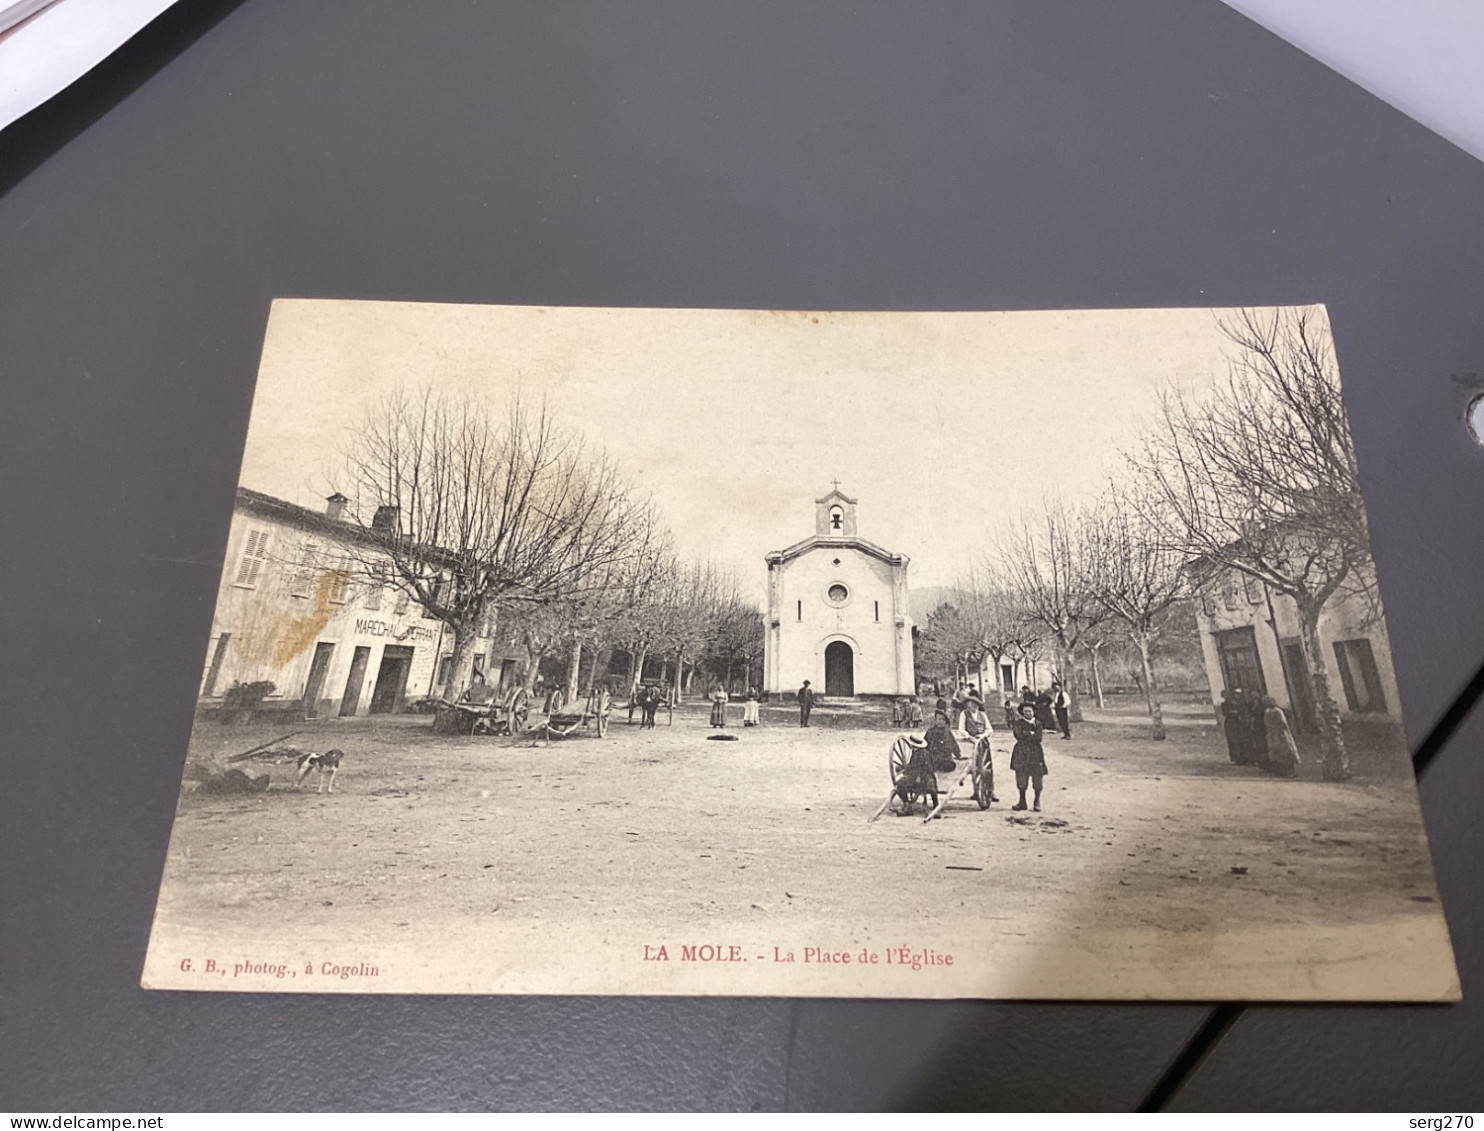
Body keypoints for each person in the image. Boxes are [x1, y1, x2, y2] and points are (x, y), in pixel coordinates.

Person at [1010, 702, 1049, 811]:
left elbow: (1039, 738)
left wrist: (1027, 734)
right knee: (1021, 778)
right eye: (1026, 711)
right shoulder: (1018, 723)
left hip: (1035, 753)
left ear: (1034, 712)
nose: (1028, 713)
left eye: (1030, 711)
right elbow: (1018, 736)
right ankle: (1022, 801)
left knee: (1037, 779)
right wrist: (1030, 734)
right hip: (1021, 752)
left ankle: (1037, 801)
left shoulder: (1038, 724)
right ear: (1022, 712)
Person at [1262, 696, 1301, 778]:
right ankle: (1282, 771)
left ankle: (1290, 771)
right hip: (1274, 734)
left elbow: (1283, 723)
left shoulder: (1277, 711)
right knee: (1279, 753)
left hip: (1279, 734)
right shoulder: (1268, 712)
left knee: (1286, 752)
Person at [1220, 688, 1251, 764]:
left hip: (1240, 723)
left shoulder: (1242, 703)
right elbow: (1226, 712)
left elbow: (1243, 711)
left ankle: (1245, 757)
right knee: (1233, 741)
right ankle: (1237, 758)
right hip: (1231, 723)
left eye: (1238, 694)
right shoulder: (1225, 704)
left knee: (1242, 740)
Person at [1245, 689, 1271, 770]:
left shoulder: (1262, 704)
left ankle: (1268, 763)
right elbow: (1248, 714)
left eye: (1256, 694)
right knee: (1258, 745)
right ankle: (1262, 763)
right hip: (1255, 726)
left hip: (1263, 725)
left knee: (1265, 745)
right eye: (1253, 695)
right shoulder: (1250, 704)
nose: (1254, 696)